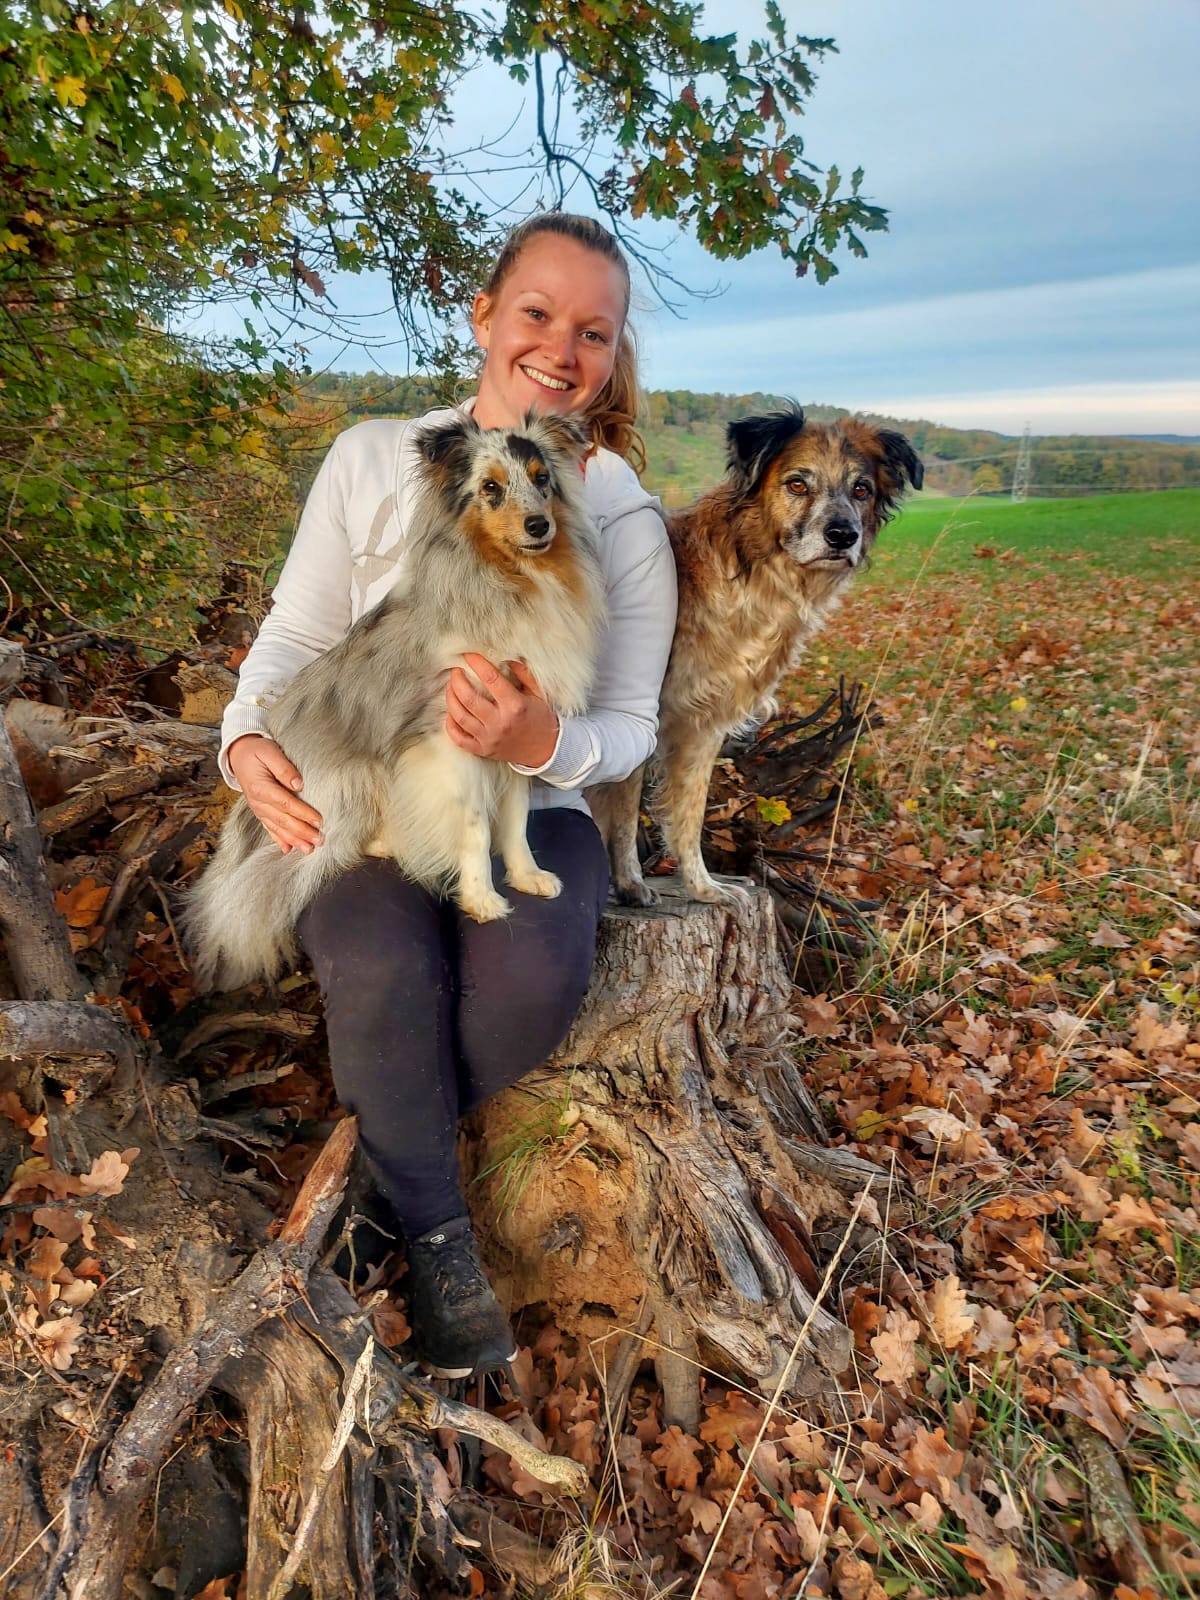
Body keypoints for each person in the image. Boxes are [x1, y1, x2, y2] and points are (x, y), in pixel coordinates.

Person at [217, 213, 677, 1378]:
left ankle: (382, 1163)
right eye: (537, 314)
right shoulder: (381, 457)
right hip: (372, 783)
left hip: (535, 807)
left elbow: (627, 731)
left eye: (593, 331)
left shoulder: (615, 506)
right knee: (379, 964)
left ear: (612, 356)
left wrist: (538, 737)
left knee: (523, 981)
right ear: (484, 317)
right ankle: (435, 1236)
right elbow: (295, 638)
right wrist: (241, 746)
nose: (560, 349)